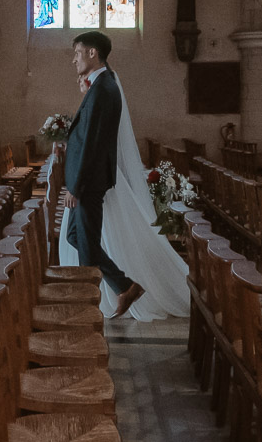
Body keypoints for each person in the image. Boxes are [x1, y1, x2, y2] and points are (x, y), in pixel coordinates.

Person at [55, 31, 190, 321]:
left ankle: (88, 305)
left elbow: (93, 143)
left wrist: (75, 187)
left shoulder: (104, 89)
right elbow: (89, 132)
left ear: (93, 53)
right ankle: (124, 286)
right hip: (89, 179)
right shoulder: (101, 86)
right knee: (77, 236)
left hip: (89, 182)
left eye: (77, 53)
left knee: (85, 244)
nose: (74, 59)